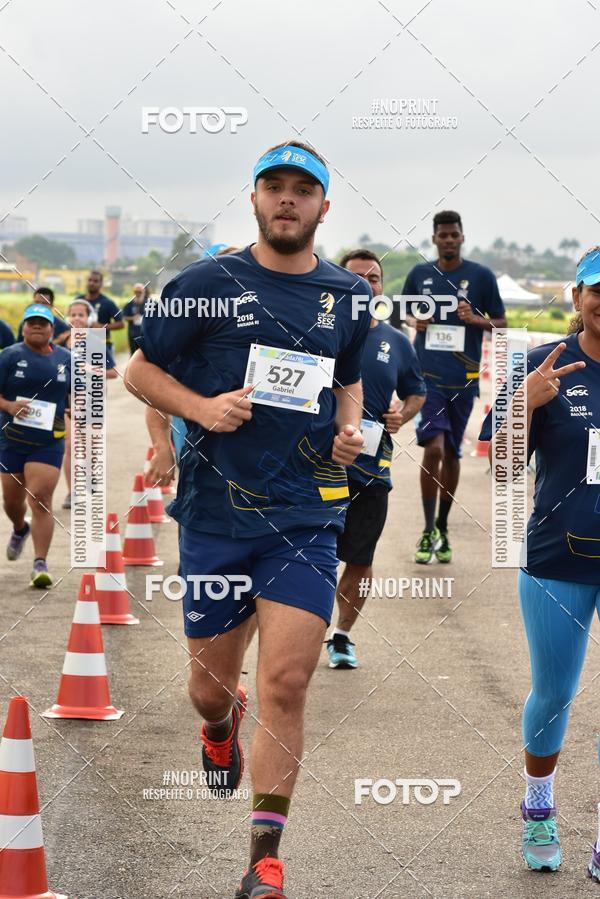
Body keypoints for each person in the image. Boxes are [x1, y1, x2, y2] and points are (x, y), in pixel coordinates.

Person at [125, 140, 371, 899]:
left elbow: (350, 376)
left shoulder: (349, 298)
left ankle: (265, 858)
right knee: (210, 686)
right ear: (255, 200)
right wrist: (202, 409)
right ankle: (216, 725)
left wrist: (349, 427)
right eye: (275, 187)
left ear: (324, 206)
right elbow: (137, 369)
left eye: (304, 189)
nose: (288, 199)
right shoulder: (203, 284)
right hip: (215, 516)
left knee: (288, 681)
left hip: (305, 515)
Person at [483, 245, 600, 880]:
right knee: (554, 694)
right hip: (558, 556)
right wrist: (523, 403)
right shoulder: (545, 365)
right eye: (597, 289)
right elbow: (501, 467)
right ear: (577, 297)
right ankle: (539, 807)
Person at [326, 249, 426, 669]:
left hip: (372, 470)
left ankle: (342, 636)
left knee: (360, 558)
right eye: (358, 276)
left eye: (375, 277)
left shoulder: (396, 342)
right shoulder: (319, 331)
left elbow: (416, 391)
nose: (368, 283)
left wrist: (401, 414)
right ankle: (302, 630)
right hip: (318, 467)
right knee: (307, 553)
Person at [404, 210, 506, 564]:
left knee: (451, 453)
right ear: (433, 239)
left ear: (462, 237)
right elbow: (400, 313)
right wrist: (415, 320)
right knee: (433, 447)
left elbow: (502, 321)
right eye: (442, 235)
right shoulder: (420, 274)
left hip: (464, 379)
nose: (448, 240)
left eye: (453, 234)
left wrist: (474, 319)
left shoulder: (480, 276)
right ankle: (427, 528)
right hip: (426, 377)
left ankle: (443, 527)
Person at [0, 303, 71, 587]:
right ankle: (20, 528)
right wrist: (8, 405)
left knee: (40, 498)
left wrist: (75, 407)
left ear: (53, 329)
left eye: (43, 322)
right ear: (23, 328)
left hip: (48, 441)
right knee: (12, 502)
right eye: (32, 323)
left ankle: (40, 563)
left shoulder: (67, 358)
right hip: (11, 439)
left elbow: (80, 393)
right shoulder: (10, 356)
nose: (37, 326)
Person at [61, 299, 117, 510]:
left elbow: (113, 372)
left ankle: (91, 479)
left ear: (89, 318)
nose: (76, 318)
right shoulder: (60, 345)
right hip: (67, 401)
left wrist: (90, 369)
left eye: (81, 315)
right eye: (73, 314)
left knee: (90, 445)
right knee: (70, 446)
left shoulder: (95, 343)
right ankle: (71, 492)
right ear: (68, 318)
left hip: (92, 398)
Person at [77, 270, 124, 368]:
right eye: (90, 280)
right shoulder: (79, 300)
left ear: (101, 284)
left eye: (95, 281)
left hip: (102, 345)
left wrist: (102, 326)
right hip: (80, 344)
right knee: (79, 378)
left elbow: (121, 323)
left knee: (98, 379)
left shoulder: (108, 303)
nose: (92, 283)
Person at [122, 283, 146, 355]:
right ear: (133, 292)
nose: (138, 293)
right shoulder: (129, 304)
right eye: (136, 292)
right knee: (133, 353)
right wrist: (132, 318)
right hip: (133, 333)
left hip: (146, 334)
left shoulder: (149, 303)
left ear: (143, 291)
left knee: (145, 354)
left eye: (140, 292)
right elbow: (124, 317)